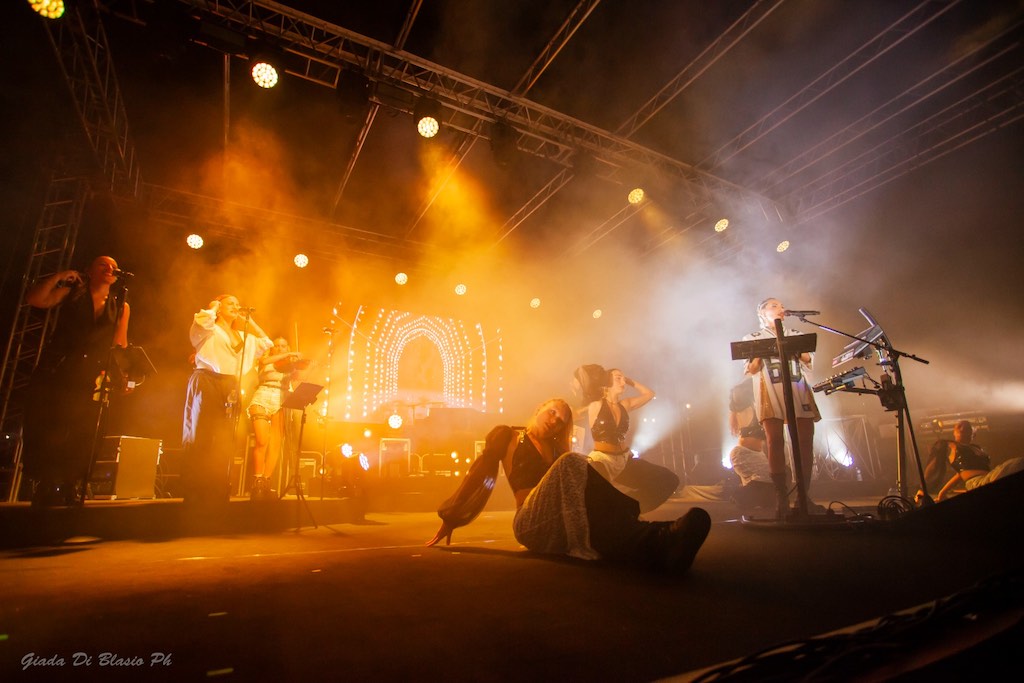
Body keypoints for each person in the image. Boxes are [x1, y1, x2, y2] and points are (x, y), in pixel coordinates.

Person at [425, 398, 711, 574]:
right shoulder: (508, 436)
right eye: (552, 413)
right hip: (530, 522)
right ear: (538, 408)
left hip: (560, 520)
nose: (555, 421)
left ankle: (662, 541)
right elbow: (480, 473)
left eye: (561, 421)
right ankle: (591, 541)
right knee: (573, 462)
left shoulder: (556, 450)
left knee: (583, 475)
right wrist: (452, 516)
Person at [22, 255, 130, 506]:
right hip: (58, 367)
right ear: (89, 271)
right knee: (51, 425)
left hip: (89, 373)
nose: (110, 268)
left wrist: (120, 375)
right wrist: (60, 276)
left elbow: (120, 343)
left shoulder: (120, 304)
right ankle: (46, 483)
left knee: (84, 429)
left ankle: (73, 482)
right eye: (103, 264)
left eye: (114, 266)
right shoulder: (71, 294)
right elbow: (35, 299)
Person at [182, 295, 272, 505]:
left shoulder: (241, 335)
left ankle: (218, 488)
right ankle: (194, 490)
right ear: (219, 306)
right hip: (206, 380)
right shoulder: (209, 328)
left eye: (237, 303)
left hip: (230, 385)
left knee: (225, 437)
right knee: (201, 433)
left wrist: (249, 321)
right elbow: (202, 321)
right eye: (230, 303)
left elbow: (266, 343)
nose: (236, 306)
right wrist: (213, 307)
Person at [742, 297, 821, 518]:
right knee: (775, 441)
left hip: (797, 387)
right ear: (762, 312)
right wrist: (761, 351)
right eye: (774, 306)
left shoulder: (795, 334)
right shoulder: (753, 338)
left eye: (781, 306)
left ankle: (803, 494)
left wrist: (791, 347)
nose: (781, 308)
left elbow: (808, 359)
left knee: (805, 440)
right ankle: (781, 496)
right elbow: (751, 369)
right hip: (770, 389)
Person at [578, 366, 679, 512]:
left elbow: (650, 394)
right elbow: (586, 382)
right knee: (597, 495)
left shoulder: (625, 405)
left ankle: (629, 510)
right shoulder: (596, 405)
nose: (623, 382)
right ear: (606, 382)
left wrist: (630, 381)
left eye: (624, 378)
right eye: (618, 378)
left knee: (670, 480)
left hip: (624, 460)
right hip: (602, 460)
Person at [246, 337, 309, 501]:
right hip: (262, 395)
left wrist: (299, 367)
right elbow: (265, 361)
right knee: (261, 440)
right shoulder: (265, 360)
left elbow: (300, 379)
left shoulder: (289, 365)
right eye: (277, 346)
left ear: (288, 347)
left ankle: (265, 482)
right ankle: (257, 481)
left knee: (276, 443)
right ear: (272, 348)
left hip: (282, 398)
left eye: (283, 346)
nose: (280, 348)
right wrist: (288, 354)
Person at [933, 420, 1024, 501]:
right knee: (1017, 463)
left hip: (989, 476)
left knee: (1017, 464)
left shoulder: (977, 448)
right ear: (954, 432)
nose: (962, 428)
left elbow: (960, 475)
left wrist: (943, 492)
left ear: (972, 433)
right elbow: (958, 473)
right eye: (959, 426)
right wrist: (941, 492)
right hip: (977, 482)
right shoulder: (951, 445)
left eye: (967, 427)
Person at [726, 381, 776, 513]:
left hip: (756, 454)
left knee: (770, 487)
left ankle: (753, 500)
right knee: (769, 478)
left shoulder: (753, 407)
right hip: (744, 454)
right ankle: (738, 495)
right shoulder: (745, 410)